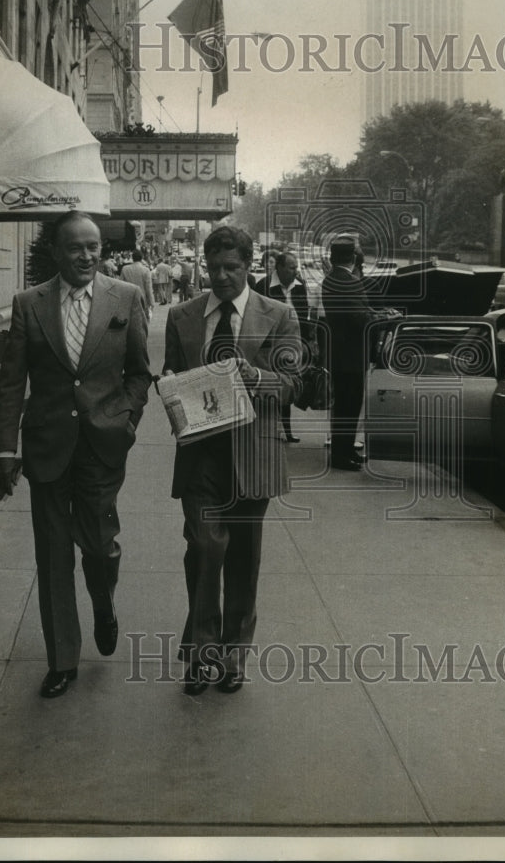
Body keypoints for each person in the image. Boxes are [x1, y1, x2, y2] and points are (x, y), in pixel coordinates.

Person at [0, 211, 151, 698]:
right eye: (76, 247)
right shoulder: (28, 304)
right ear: (57, 252)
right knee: (53, 555)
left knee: (99, 548)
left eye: (94, 246)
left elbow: (140, 373)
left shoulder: (124, 297)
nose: (87, 255)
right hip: (46, 446)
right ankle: (62, 658)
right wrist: (3, 448)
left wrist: (126, 421)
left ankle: (103, 604)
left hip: (103, 446)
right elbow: (13, 381)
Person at [163, 226, 302, 695]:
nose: (221, 277)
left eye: (232, 268)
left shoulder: (279, 315)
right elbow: (171, 375)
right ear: (203, 265)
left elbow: (293, 385)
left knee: (243, 557)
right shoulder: (182, 316)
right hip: (201, 453)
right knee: (205, 548)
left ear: (249, 266)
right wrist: (169, 385)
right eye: (213, 267)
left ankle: (233, 656)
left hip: (252, 455)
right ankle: (201, 654)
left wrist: (255, 375)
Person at [321, 235, 379, 472]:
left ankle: (343, 451)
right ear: (353, 257)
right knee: (350, 407)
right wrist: (381, 318)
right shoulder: (350, 282)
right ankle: (342, 455)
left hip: (339, 354)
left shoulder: (330, 280)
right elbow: (361, 318)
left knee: (342, 407)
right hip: (352, 356)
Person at [255, 251, 315, 443]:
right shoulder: (263, 286)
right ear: (279, 268)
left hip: (289, 344)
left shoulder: (299, 286)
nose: (295, 271)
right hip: (266, 347)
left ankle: (287, 430)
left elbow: (304, 314)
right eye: (291, 267)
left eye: (296, 267)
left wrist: (306, 342)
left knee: (286, 386)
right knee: (266, 388)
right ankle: (265, 428)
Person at [120, 249, 155, 317]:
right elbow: (148, 288)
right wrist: (151, 302)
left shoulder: (125, 269)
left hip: (128, 299)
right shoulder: (146, 270)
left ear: (132, 258)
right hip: (142, 300)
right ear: (141, 258)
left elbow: (120, 285)